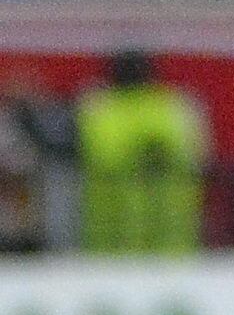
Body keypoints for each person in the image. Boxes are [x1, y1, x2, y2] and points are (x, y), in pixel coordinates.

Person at [72, 47, 207, 255]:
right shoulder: (173, 105)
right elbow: (192, 152)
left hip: (128, 229)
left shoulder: (99, 107)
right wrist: (154, 152)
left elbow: (102, 156)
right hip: (152, 228)